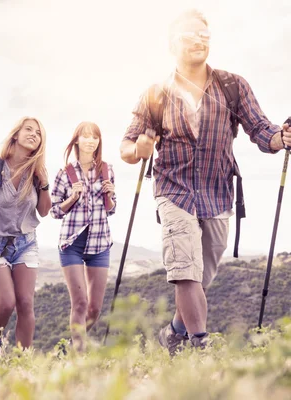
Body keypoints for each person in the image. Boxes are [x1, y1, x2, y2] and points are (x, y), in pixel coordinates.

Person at [120, 10, 291, 354]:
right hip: (173, 191)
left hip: (218, 194)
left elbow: (260, 129)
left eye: (204, 35)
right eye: (190, 35)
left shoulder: (232, 86)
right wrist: (138, 148)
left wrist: (282, 138)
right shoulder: (156, 94)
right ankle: (200, 346)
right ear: (172, 44)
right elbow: (126, 147)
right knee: (185, 270)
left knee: (202, 275)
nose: (199, 41)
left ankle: (173, 332)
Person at [0, 117, 51, 357]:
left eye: (38, 133)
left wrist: (45, 184)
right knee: (5, 303)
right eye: (29, 129)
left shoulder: (37, 173)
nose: (34, 134)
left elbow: (45, 211)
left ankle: (23, 359)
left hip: (25, 243)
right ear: (16, 134)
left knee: (25, 303)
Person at [50, 122, 116, 351]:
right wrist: (72, 198)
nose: (91, 141)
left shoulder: (107, 170)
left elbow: (111, 209)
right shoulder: (64, 174)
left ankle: (74, 343)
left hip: (99, 243)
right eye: (85, 136)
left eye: (95, 137)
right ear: (76, 140)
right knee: (80, 303)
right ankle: (78, 358)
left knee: (94, 309)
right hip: (72, 244)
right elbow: (54, 211)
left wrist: (111, 195)